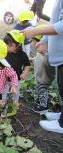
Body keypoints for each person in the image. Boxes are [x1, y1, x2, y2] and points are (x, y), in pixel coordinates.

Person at [22, 0, 63, 133]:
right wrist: (45, 41)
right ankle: (61, 115)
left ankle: (62, 124)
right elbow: (55, 20)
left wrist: (35, 31)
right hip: (59, 56)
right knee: (61, 88)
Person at [30, 25, 56, 114]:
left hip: (44, 78)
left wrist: (45, 54)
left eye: (33, 41)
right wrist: (33, 59)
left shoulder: (46, 53)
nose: (33, 43)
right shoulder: (40, 52)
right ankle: (44, 101)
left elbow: (49, 63)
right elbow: (39, 59)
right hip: (41, 76)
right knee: (41, 89)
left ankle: (43, 106)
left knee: (42, 89)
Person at [1, 30, 30, 107]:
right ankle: (3, 100)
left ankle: (15, 101)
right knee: (3, 89)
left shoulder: (22, 55)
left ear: (18, 45)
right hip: (5, 77)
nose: (6, 47)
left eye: (10, 45)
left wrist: (25, 73)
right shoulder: (4, 52)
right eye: (5, 44)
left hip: (17, 78)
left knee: (16, 91)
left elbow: (27, 65)